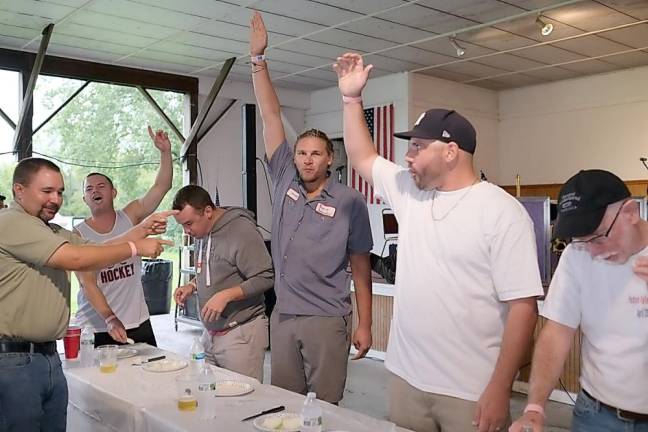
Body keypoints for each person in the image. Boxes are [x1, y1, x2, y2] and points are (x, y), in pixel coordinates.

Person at [333, 53, 543, 432]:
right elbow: (362, 156)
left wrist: (500, 387)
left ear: (450, 151)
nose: (407, 156)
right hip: (405, 379)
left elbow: (524, 308)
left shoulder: (501, 211)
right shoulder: (409, 193)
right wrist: (351, 101)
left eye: (417, 147)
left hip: (470, 390)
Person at [250, 12, 373, 404]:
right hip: (283, 315)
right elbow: (270, 114)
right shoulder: (284, 177)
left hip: (326, 318)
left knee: (326, 407)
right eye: (301, 152)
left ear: (330, 158)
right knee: (285, 403)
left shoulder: (350, 201)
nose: (306, 160)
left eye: (315, 153)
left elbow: (361, 269)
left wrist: (365, 324)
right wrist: (258, 61)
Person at [0, 157, 172, 431]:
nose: (55, 199)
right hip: (16, 360)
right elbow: (78, 259)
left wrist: (140, 231)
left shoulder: (50, 229)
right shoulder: (11, 222)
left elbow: (98, 248)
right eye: (46, 191)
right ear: (19, 190)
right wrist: (135, 248)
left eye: (59, 192)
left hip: (47, 355)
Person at [510, 170, 648, 432]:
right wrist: (535, 408)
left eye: (598, 236)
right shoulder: (577, 255)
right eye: (582, 241)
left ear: (630, 212)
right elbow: (557, 333)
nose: (594, 252)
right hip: (596, 415)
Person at [75, 126, 173, 347]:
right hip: (97, 325)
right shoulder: (78, 233)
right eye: (89, 189)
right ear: (84, 199)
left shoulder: (131, 215)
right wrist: (109, 317)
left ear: (114, 193)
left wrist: (165, 152)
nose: (95, 191)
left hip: (137, 321)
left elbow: (161, 186)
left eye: (101, 186)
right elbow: (87, 283)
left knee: (149, 377)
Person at [172, 185, 274, 382]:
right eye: (182, 226)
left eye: (189, 224)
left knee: (242, 403)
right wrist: (192, 285)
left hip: (241, 333)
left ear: (208, 211)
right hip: (209, 334)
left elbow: (266, 276)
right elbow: (216, 269)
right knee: (205, 395)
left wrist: (226, 295)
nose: (187, 231)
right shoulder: (203, 232)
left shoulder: (241, 231)